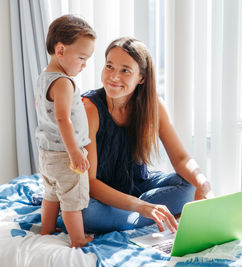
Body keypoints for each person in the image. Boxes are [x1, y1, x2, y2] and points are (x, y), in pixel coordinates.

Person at [81, 37, 213, 234]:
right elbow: (89, 183)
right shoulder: (89, 108)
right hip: (100, 196)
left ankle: (135, 216)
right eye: (109, 66)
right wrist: (142, 207)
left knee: (189, 186)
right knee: (88, 214)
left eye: (125, 70)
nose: (114, 76)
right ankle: (145, 214)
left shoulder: (153, 105)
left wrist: (203, 184)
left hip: (136, 186)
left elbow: (181, 158)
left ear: (141, 77)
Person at [34, 15, 95, 247]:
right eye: (81, 58)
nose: (84, 64)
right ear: (60, 50)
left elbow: (40, 107)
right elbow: (62, 118)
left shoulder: (44, 77)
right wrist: (75, 152)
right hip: (65, 153)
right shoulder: (63, 82)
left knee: (51, 194)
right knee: (72, 198)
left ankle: (47, 229)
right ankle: (78, 239)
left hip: (47, 152)